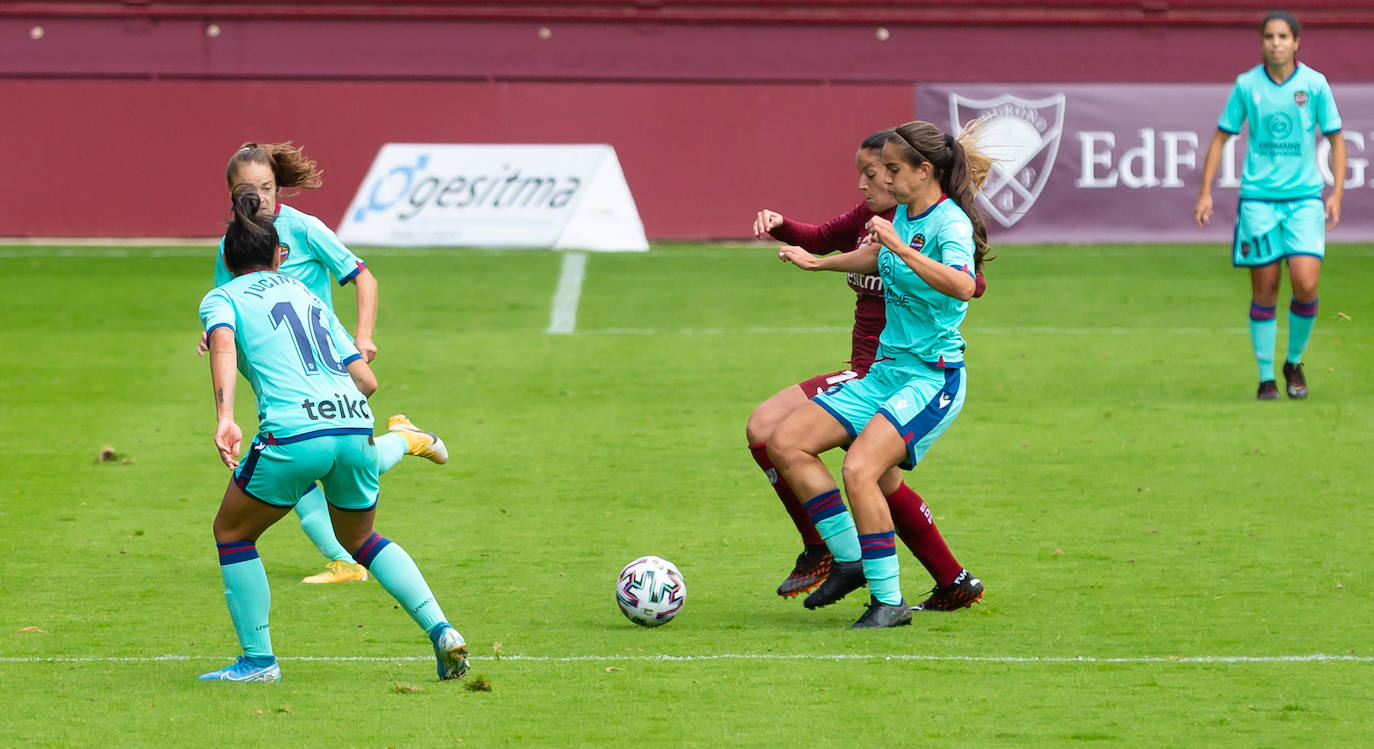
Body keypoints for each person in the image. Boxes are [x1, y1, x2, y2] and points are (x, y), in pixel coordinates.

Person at [197, 189, 468, 682]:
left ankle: (258, 662)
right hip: (352, 421)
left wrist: (226, 415)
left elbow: (223, 347)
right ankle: (442, 629)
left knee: (232, 533)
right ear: (279, 255)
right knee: (362, 539)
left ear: (228, 258)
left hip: (294, 433)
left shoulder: (221, 297)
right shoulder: (305, 295)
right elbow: (367, 381)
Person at [748, 131, 984, 611]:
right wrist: (805, 251)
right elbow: (842, 244)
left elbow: (966, 283)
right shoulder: (889, 216)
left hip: (910, 372)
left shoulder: (937, 223)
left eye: (878, 172)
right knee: (794, 444)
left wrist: (907, 252)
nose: (865, 183)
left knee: (863, 471)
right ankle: (942, 578)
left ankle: (849, 566)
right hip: (882, 369)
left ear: (915, 171)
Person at [203, 142, 448, 585]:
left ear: (279, 189)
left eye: (266, 188)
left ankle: (346, 557)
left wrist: (363, 335)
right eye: (247, 191)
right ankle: (403, 444)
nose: (258, 199)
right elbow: (228, 305)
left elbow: (362, 275)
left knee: (310, 454)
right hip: (273, 369)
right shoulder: (232, 244)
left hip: (322, 359)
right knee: (328, 456)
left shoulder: (305, 229)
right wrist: (213, 336)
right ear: (231, 195)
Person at [1194, 9, 1346, 400]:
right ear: (1262, 42)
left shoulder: (1314, 84)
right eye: (1269, 37)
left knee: (1306, 283)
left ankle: (1293, 361)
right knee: (1265, 288)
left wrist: (1338, 193)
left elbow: (1336, 138)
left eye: (1282, 37)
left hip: (1304, 201)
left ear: (1296, 42)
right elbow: (1221, 137)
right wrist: (1206, 191)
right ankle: (1265, 378)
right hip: (1259, 201)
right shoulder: (1247, 85)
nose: (1275, 43)